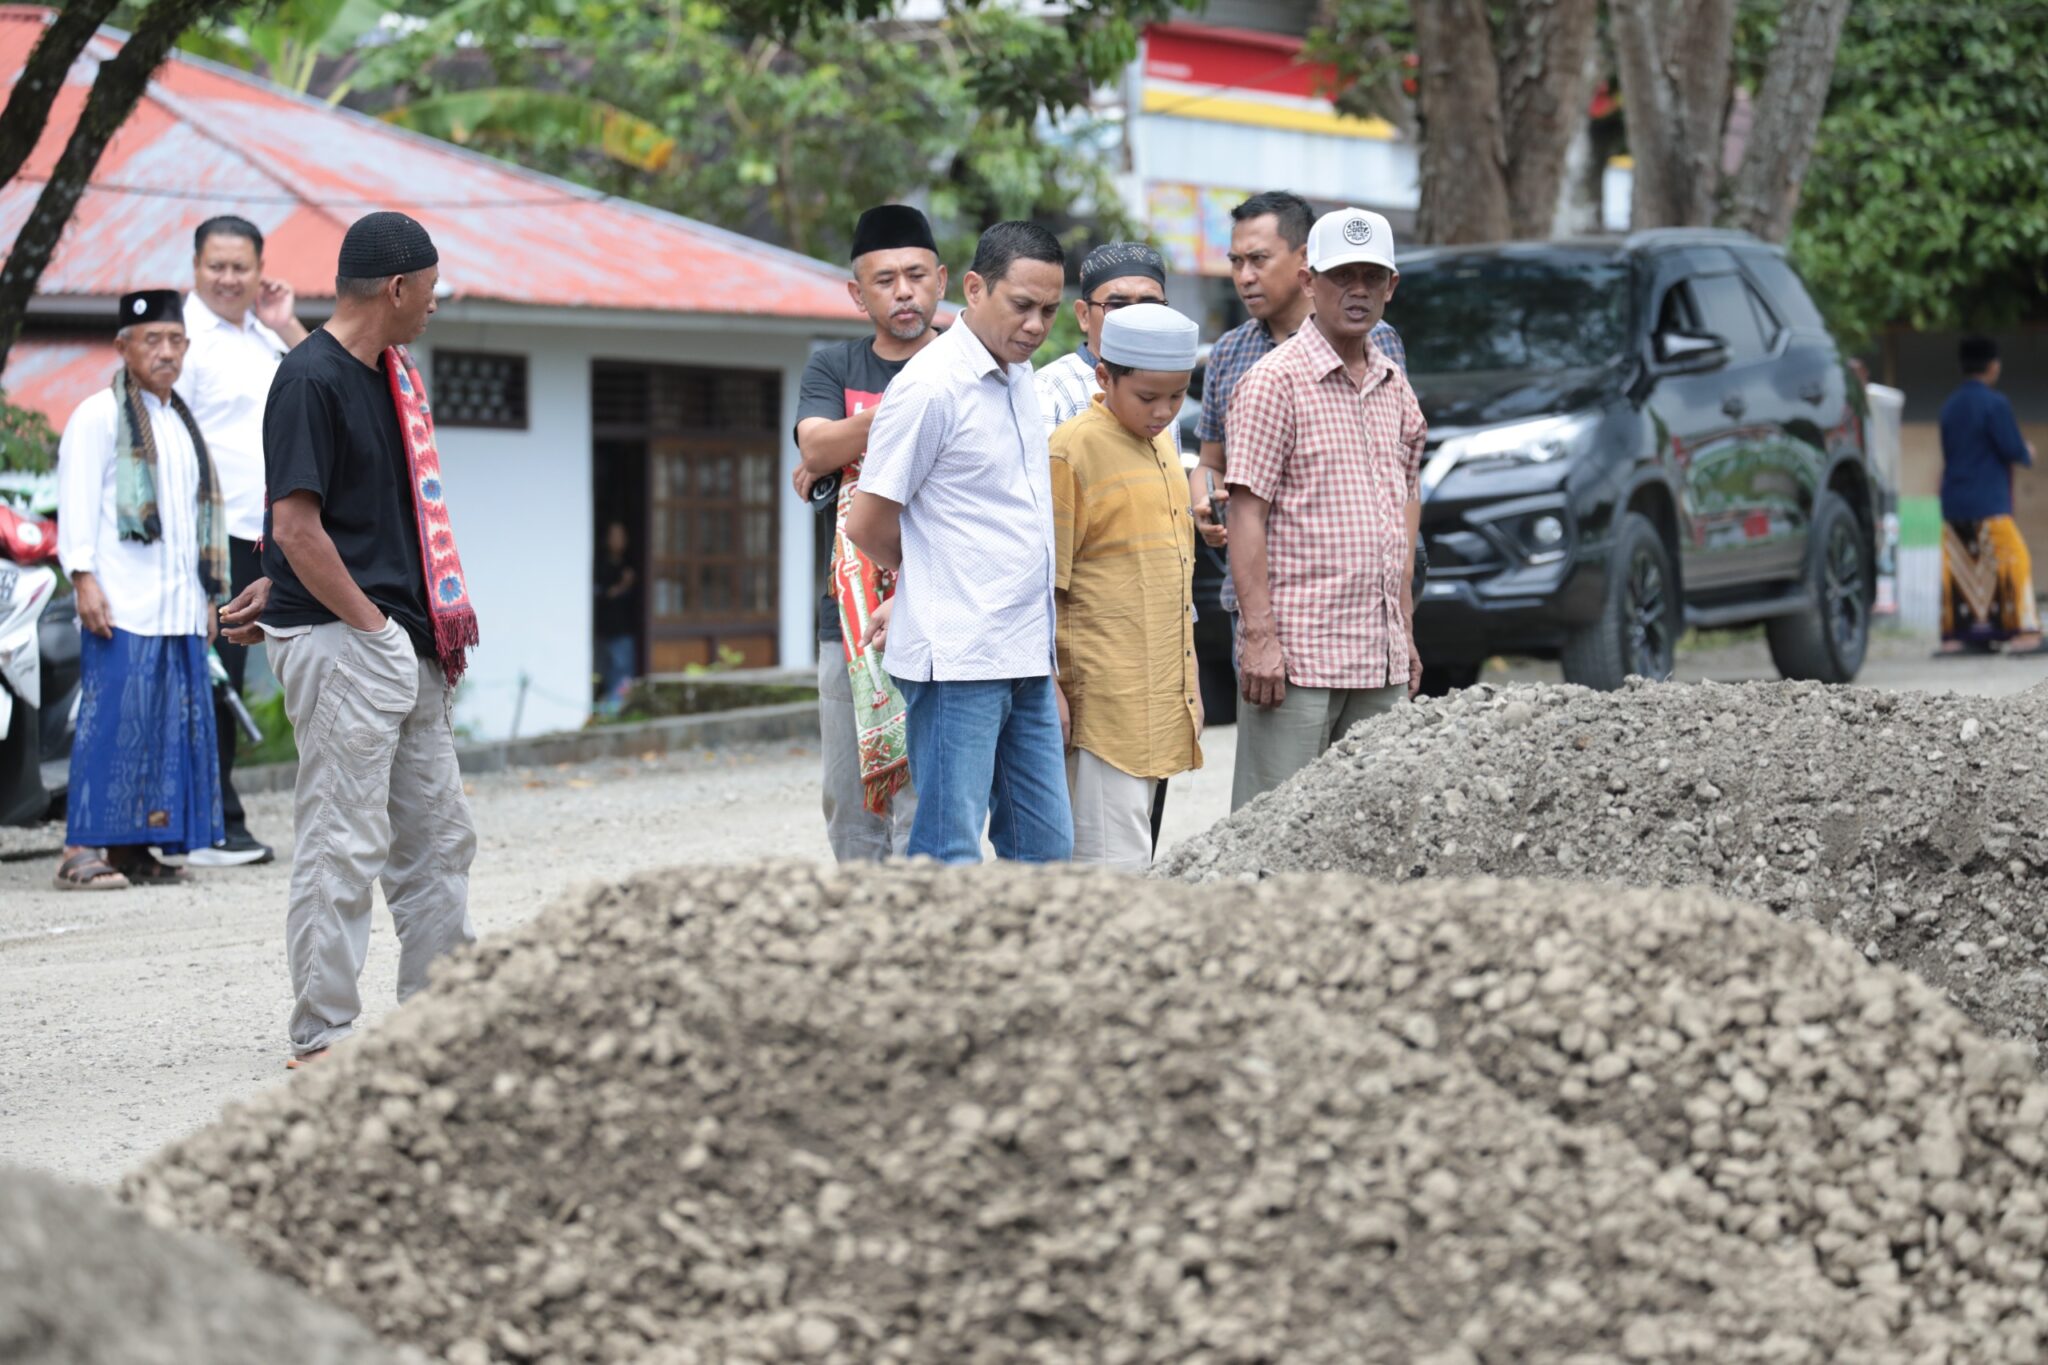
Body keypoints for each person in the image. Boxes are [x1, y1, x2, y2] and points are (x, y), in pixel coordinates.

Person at [259, 211, 479, 1067]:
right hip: (352, 639)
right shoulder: (309, 379)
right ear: (395, 288)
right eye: (429, 289)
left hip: (403, 642)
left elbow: (356, 520)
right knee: (342, 842)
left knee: (440, 840)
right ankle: (325, 1035)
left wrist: (393, 634)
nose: (433, 304)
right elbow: (296, 525)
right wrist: (371, 626)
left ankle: (441, 1016)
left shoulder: (391, 378)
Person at [845, 220, 1072, 865]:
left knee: (1046, 848)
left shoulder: (1020, 373)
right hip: (958, 660)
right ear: (974, 289)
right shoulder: (930, 387)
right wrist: (927, 578)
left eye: (1049, 310)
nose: (1035, 325)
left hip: (1025, 652)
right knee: (948, 851)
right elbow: (866, 522)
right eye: (1021, 305)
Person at [1225, 208, 1427, 811]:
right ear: (1310, 282)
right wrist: (1259, 639)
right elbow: (1245, 516)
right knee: (1274, 829)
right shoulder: (1273, 382)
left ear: (1391, 287)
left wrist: (1404, 630)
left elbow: (1405, 504)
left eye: (1372, 276)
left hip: (1379, 657)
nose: (1357, 290)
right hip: (1298, 660)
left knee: (1372, 829)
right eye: (1342, 276)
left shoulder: (1394, 384)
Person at [1186, 191, 1408, 721]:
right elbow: (1212, 460)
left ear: (1304, 262)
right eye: (1236, 262)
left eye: (1259, 260)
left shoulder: (1379, 343)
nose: (1244, 277)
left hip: (1363, 608)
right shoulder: (1232, 354)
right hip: (1270, 603)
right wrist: (1205, 500)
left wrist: (1403, 615)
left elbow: (1398, 478)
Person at [52, 290, 229, 890]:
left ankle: (130, 847)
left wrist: (209, 598)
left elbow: (197, 523)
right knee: (110, 725)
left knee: (161, 732)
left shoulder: (182, 424)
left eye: (176, 341)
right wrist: (82, 577)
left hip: (178, 607)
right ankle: (80, 847)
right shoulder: (98, 415)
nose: (166, 352)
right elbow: (76, 503)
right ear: (122, 347)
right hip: (121, 603)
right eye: (152, 340)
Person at [791, 204, 943, 861]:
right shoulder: (834, 365)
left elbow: (830, 447)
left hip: (941, 606)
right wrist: (911, 408)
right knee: (848, 794)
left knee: (928, 794)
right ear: (859, 295)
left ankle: (919, 919)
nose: (903, 291)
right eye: (885, 280)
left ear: (941, 280)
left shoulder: (970, 359)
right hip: (847, 618)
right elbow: (815, 447)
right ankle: (860, 919)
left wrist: (848, 436)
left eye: (916, 275)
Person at [174, 214, 309, 867]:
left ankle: (215, 820)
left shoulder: (264, 337)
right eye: (216, 266)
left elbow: (330, 379)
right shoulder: (180, 341)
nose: (228, 278)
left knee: (247, 673)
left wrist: (285, 322)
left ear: (260, 272)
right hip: (210, 537)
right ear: (195, 268)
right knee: (212, 680)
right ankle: (210, 825)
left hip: (270, 534)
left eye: (240, 267)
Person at [1049, 303, 1204, 868]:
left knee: (1136, 857)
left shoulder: (1161, 442)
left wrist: (1190, 688)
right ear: (1104, 377)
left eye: (1177, 396)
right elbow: (1042, 588)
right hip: (1102, 706)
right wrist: (1048, 688)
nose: (1163, 411)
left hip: (1160, 695)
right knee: (1110, 873)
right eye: (1147, 397)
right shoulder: (1071, 450)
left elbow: (1174, 581)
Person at [1938, 335, 2043, 656]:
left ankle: (1962, 637)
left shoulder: (1949, 406)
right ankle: (2025, 632)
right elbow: (2010, 447)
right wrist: (2026, 452)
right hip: (1988, 500)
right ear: (1993, 366)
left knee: (1965, 568)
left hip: (1954, 500)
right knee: (2014, 559)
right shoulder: (1995, 404)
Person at [1034, 242, 1169, 430]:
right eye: (1117, 305)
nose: (1135, 317)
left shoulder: (1166, 391)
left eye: (1149, 305)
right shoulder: (1052, 389)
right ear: (1084, 315)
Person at [593, 520, 639, 713]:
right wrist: (623, 585)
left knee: (622, 678)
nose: (618, 540)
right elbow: (604, 595)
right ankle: (605, 714)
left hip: (623, 630)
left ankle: (614, 713)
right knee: (603, 676)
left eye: (621, 536)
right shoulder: (600, 565)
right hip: (605, 631)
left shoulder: (630, 564)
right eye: (614, 536)